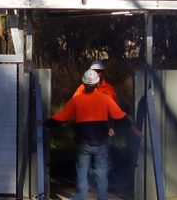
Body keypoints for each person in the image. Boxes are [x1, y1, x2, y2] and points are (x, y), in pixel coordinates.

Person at [42, 70, 141, 200]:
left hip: (83, 143)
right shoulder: (105, 99)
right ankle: (102, 197)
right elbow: (120, 115)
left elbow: (62, 117)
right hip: (101, 142)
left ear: (84, 84)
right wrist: (133, 129)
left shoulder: (77, 100)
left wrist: (44, 123)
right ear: (97, 84)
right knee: (101, 173)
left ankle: (80, 197)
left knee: (82, 172)